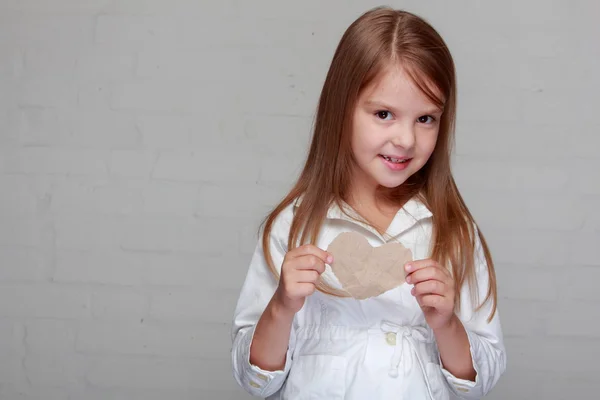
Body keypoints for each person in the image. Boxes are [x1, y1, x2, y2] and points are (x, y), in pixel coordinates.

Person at [230, 6, 506, 400]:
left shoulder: (453, 232)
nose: (407, 140)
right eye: (384, 114)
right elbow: (255, 379)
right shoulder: (292, 227)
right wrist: (281, 307)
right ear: (341, 109)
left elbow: (483, 378)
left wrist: (447, 325)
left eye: (426, 119)